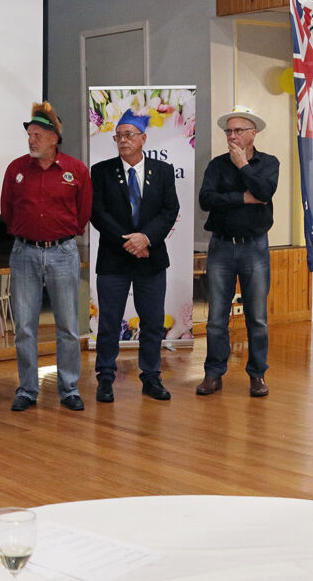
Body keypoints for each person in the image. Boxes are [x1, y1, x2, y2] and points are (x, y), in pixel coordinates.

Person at [1, 101, 92, 412]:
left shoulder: (76, 170)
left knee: (67, 325)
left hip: (63, 253)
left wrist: (62, 236)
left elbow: (83, 213)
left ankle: (68, 388)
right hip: (23, 252)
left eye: (38, 134)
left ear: (55, 138)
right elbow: (8, 211)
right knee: (24, 327)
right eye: (30, 134)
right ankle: (27, 389)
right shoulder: (15, 170)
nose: (32, 140)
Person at [90, 110, 179, 403]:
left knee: (152, 321)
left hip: (150, 259)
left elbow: (169, 210)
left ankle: (151, 376)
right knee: (109, 322)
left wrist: (146, 239)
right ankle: (105, 377)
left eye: (129, 135)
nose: (123, 141)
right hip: (114, 259)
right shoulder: (101, 171)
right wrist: (127, 241)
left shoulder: (163, 171)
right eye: (118, 136)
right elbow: (98, 213)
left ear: (143, 138)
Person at [197, 105, 279, 397]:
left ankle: (257, 375)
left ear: (252, 133)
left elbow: (265, 193)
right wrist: (242, 198)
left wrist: (244, 166)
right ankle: (213, 373)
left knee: (256, 317)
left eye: (237, 130)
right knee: (216, 317)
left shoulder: (269, 163)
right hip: (221, 247)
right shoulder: (217, 165)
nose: (231, 135)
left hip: (254, 248)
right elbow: (206, 200)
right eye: (228, 130)